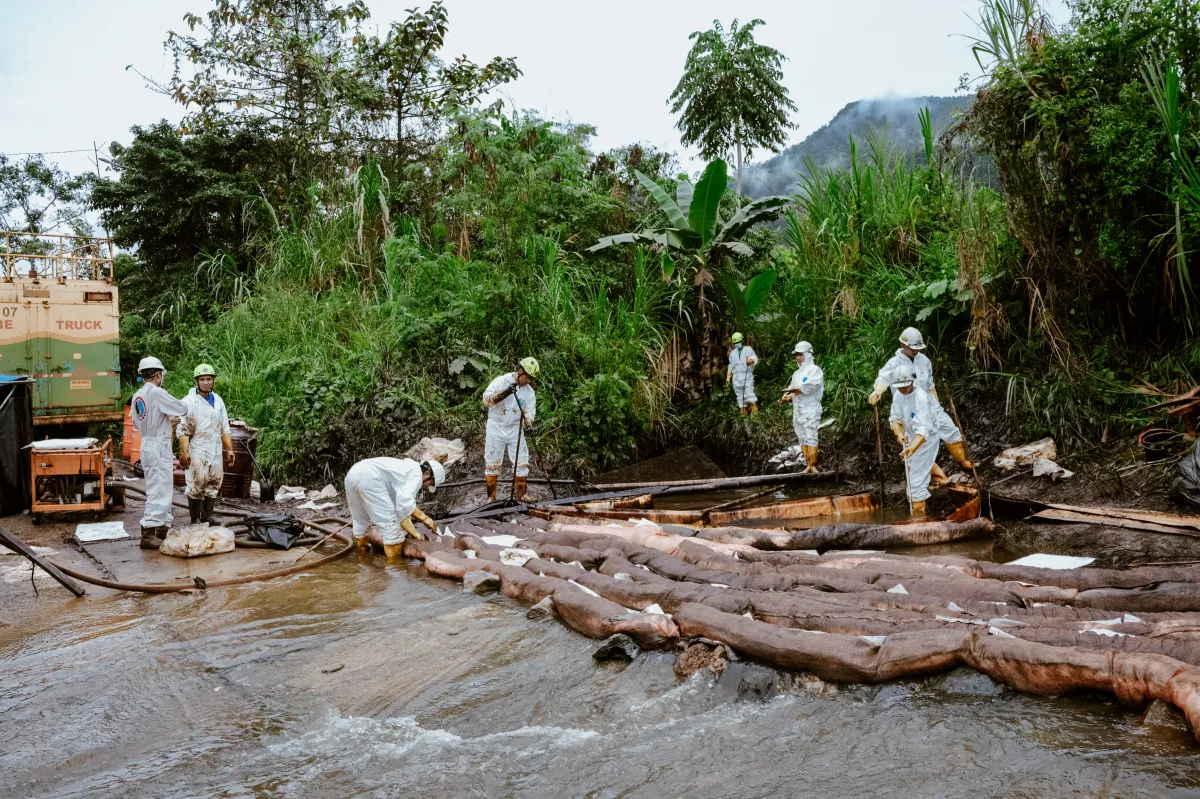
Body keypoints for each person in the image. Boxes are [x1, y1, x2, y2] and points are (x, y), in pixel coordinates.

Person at [868, 326, 975, 486]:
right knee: (915, 445)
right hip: (908, 409)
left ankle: (964, 462)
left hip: (930, 405)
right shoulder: (894, 363)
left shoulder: (924, 361)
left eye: (918, 348)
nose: (916, 351)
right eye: (913, 348)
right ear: (904, 345)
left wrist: (938, 406)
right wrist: (878, 392)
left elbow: (930, 385)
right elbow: (883, 379)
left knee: (950, 430)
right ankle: (938, 477)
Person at [130, 356, 188, 549]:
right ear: (157, 375)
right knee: (158, 489)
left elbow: (140, 422)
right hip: (158, 446)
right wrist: (167, 397)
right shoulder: (156, 393)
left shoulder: (137, 395)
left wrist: (165, 423)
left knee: (162, 487)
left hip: (148, 443)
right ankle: (148, 533)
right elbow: (182, 408)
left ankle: (162, 529)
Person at [344, 457, 446, 558]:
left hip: (353, 473)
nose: (426, 487)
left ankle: (363, 558)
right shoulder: (415, 475)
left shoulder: (404, 471)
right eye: (430, 483)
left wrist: (415, 534)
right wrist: (428, 521)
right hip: (370, 478)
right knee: (392, 531)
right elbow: (405, 504)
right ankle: (394, 569)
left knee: (361, 520)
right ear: (427, 473)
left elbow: (401, 512)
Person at [177, 363, 234, 525]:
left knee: (214, 481)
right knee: (197, 483)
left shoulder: (218, 401)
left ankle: (207, 516)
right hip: (198, 448)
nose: (206, 382)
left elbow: (225, 427)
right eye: (202, 379)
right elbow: (183, 431)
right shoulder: (189, 402)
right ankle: (195, 519)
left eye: (209, 379)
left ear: (213, 380)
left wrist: (229, 449)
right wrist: (184, 452)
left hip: (215, 447)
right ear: (197, 381)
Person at [482, 357, 539, 501]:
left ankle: (521, 495)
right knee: (492, 462)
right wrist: (505, 392)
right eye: (528, 377)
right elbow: (486, 400)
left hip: (515, 428)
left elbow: (529, 413)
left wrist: (529, 425)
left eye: (532, 379)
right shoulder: (501, 381)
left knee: (522, 461)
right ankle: (491, 497)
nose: (529, 381)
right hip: (496, 426)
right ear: (520, 371)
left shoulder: (529, 392)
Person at [888, 363, 940, 516]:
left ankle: (919, 518)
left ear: (912, 381)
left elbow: (923, 431)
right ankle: (942, 480)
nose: (903, 389)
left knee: (915, 484)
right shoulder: (898, 395)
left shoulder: (921, 398)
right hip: (910, 436)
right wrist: (899, 434)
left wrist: (911, 448)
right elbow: (895, 419)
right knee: (913, 472)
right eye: (899, 386)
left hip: (926, 439)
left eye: (905, 385)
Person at [778, 341, 824, 474]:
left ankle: (813, 465)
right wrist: (785, 398)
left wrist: (792, 390)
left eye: (800, 355)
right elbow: (793, 393)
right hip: (798, 411)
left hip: (810, 409)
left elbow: (808, 388)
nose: (798, 358)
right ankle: (807, 464)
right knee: (802, 437)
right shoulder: (796, 374)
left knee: (811, 435)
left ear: (808, 355)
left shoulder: (815, 371)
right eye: (797, 355)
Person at [726, 332, 758, 414]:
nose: (737, 344)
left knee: (749, 392)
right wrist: (728, 377)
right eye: (735, 343)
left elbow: (755, 358)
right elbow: (731, 366)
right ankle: (743, 412)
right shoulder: (733, 354)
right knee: (739, 395)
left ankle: (755, 411)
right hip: (736, 377)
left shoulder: (748, 349)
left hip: (746, 375)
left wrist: (751, 361)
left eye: (738, 342)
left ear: (742, 341)